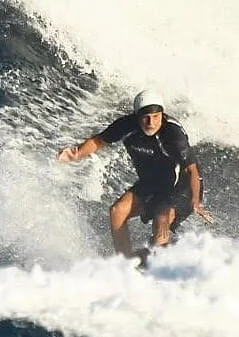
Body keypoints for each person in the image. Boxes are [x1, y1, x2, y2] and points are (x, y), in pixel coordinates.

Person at [57, 89, 214, 260]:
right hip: (154, 182)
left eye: (156, 116)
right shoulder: (127, 126)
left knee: (161, 220)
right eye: (145, 117)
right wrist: (77, 153)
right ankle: (125, 263)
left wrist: (196, 201)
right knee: (117, 211)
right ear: (136, 116)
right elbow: (99, 140)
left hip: (181, 185)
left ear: (162, 114)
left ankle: (164, 262)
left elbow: (192, 169)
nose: (151, 122)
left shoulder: (172, 133)